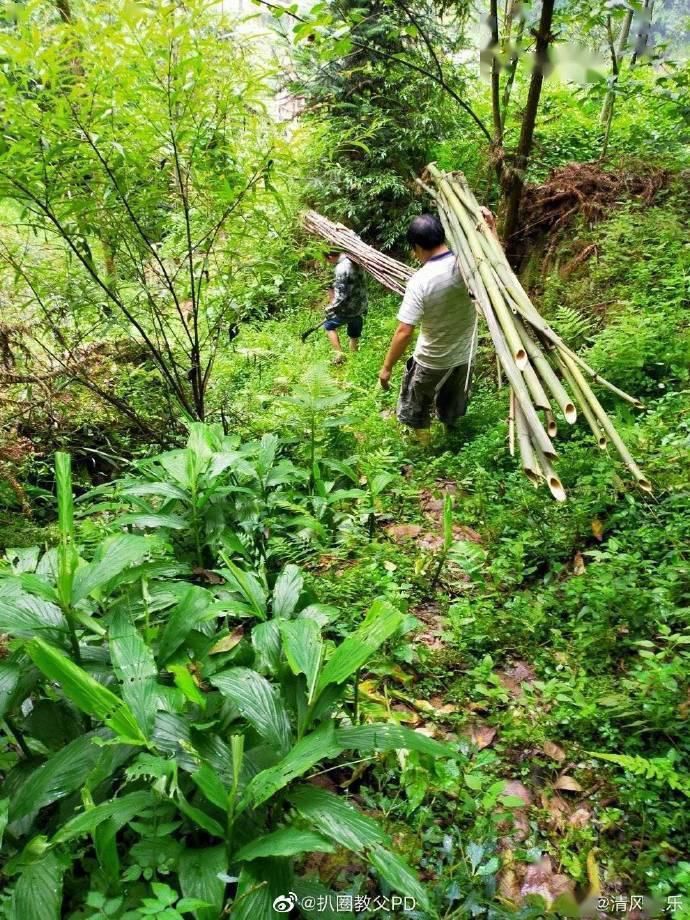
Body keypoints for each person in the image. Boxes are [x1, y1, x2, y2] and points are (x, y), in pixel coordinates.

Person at [378, 214, 476, 437]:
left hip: (432, 359)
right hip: (465, 354)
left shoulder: (421, 281)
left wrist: (386, 368)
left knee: (415, 408)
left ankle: (421, 447)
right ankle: (451, 438)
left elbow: (404, 331)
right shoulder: (468, 264)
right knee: (452, 402)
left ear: (417, 247)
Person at [323, 251, 368, 361]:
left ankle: (339, 355)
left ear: (330, 257)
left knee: (329, 325)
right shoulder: (355, 259)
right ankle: (354, 355)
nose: (329, 263)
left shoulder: (341, 268)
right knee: (354, 326)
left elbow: (341, 296)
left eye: (328, 261)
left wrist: (330, 308)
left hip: (348, 308)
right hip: (360, 305)